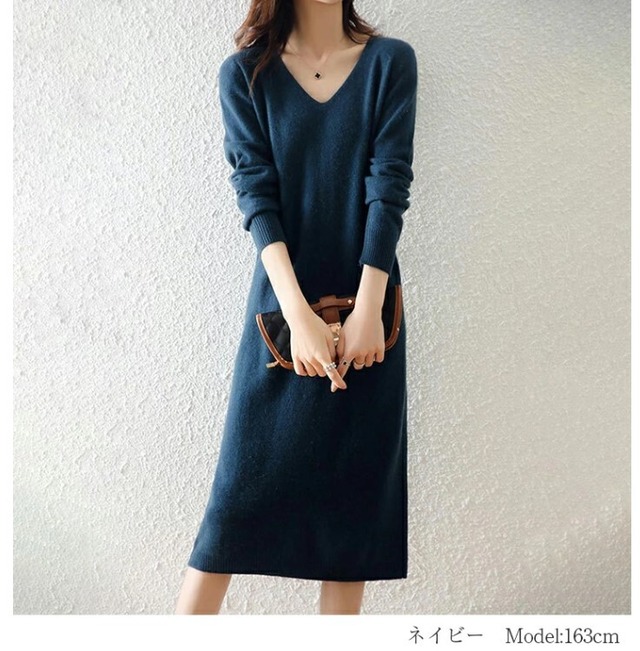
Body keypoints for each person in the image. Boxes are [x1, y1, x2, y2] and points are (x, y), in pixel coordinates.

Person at [175, 0, 417, 615]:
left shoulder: (390, 63)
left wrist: (368, 309)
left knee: (351, 531)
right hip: (279, 320)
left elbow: (389, 185)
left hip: (371, 322)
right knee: (228, 519)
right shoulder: (245, 75)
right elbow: (255, 196)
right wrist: (300, 317)